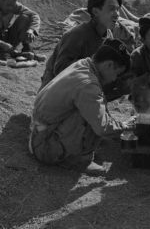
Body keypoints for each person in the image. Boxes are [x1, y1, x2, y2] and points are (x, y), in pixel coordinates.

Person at [30, 39, 133, 175]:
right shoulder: (88, 86)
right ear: (109, 65)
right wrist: (125, 126)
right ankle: (78, 160)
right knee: (92, 113)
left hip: (38, 133)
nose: (115, 79)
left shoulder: (83, 64)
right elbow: (102, 127)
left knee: (94, 106)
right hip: (46, 148)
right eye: (117, 73)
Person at [40, 0, 122, 89]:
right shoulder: (77, 34)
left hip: (83, 86)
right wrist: (94, 67)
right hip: (55, 88)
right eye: (111, 9)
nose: (117, 14)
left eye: (118, 9)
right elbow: (60, 68)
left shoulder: (108, 36)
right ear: (96, 11)